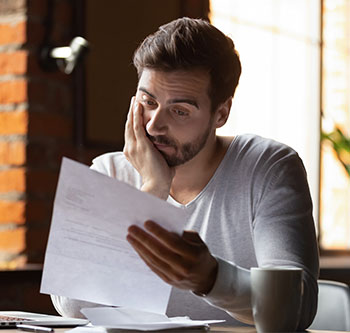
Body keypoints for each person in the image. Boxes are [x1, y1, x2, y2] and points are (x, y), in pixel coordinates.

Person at [51, 17, 319, 329]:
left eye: (180, 111)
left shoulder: (269, 166)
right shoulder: (108, 170)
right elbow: (72, 306)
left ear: (221, 113)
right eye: (148, 102)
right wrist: (151, 190)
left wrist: (212, 279)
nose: (153, 125)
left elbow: (298, 305)